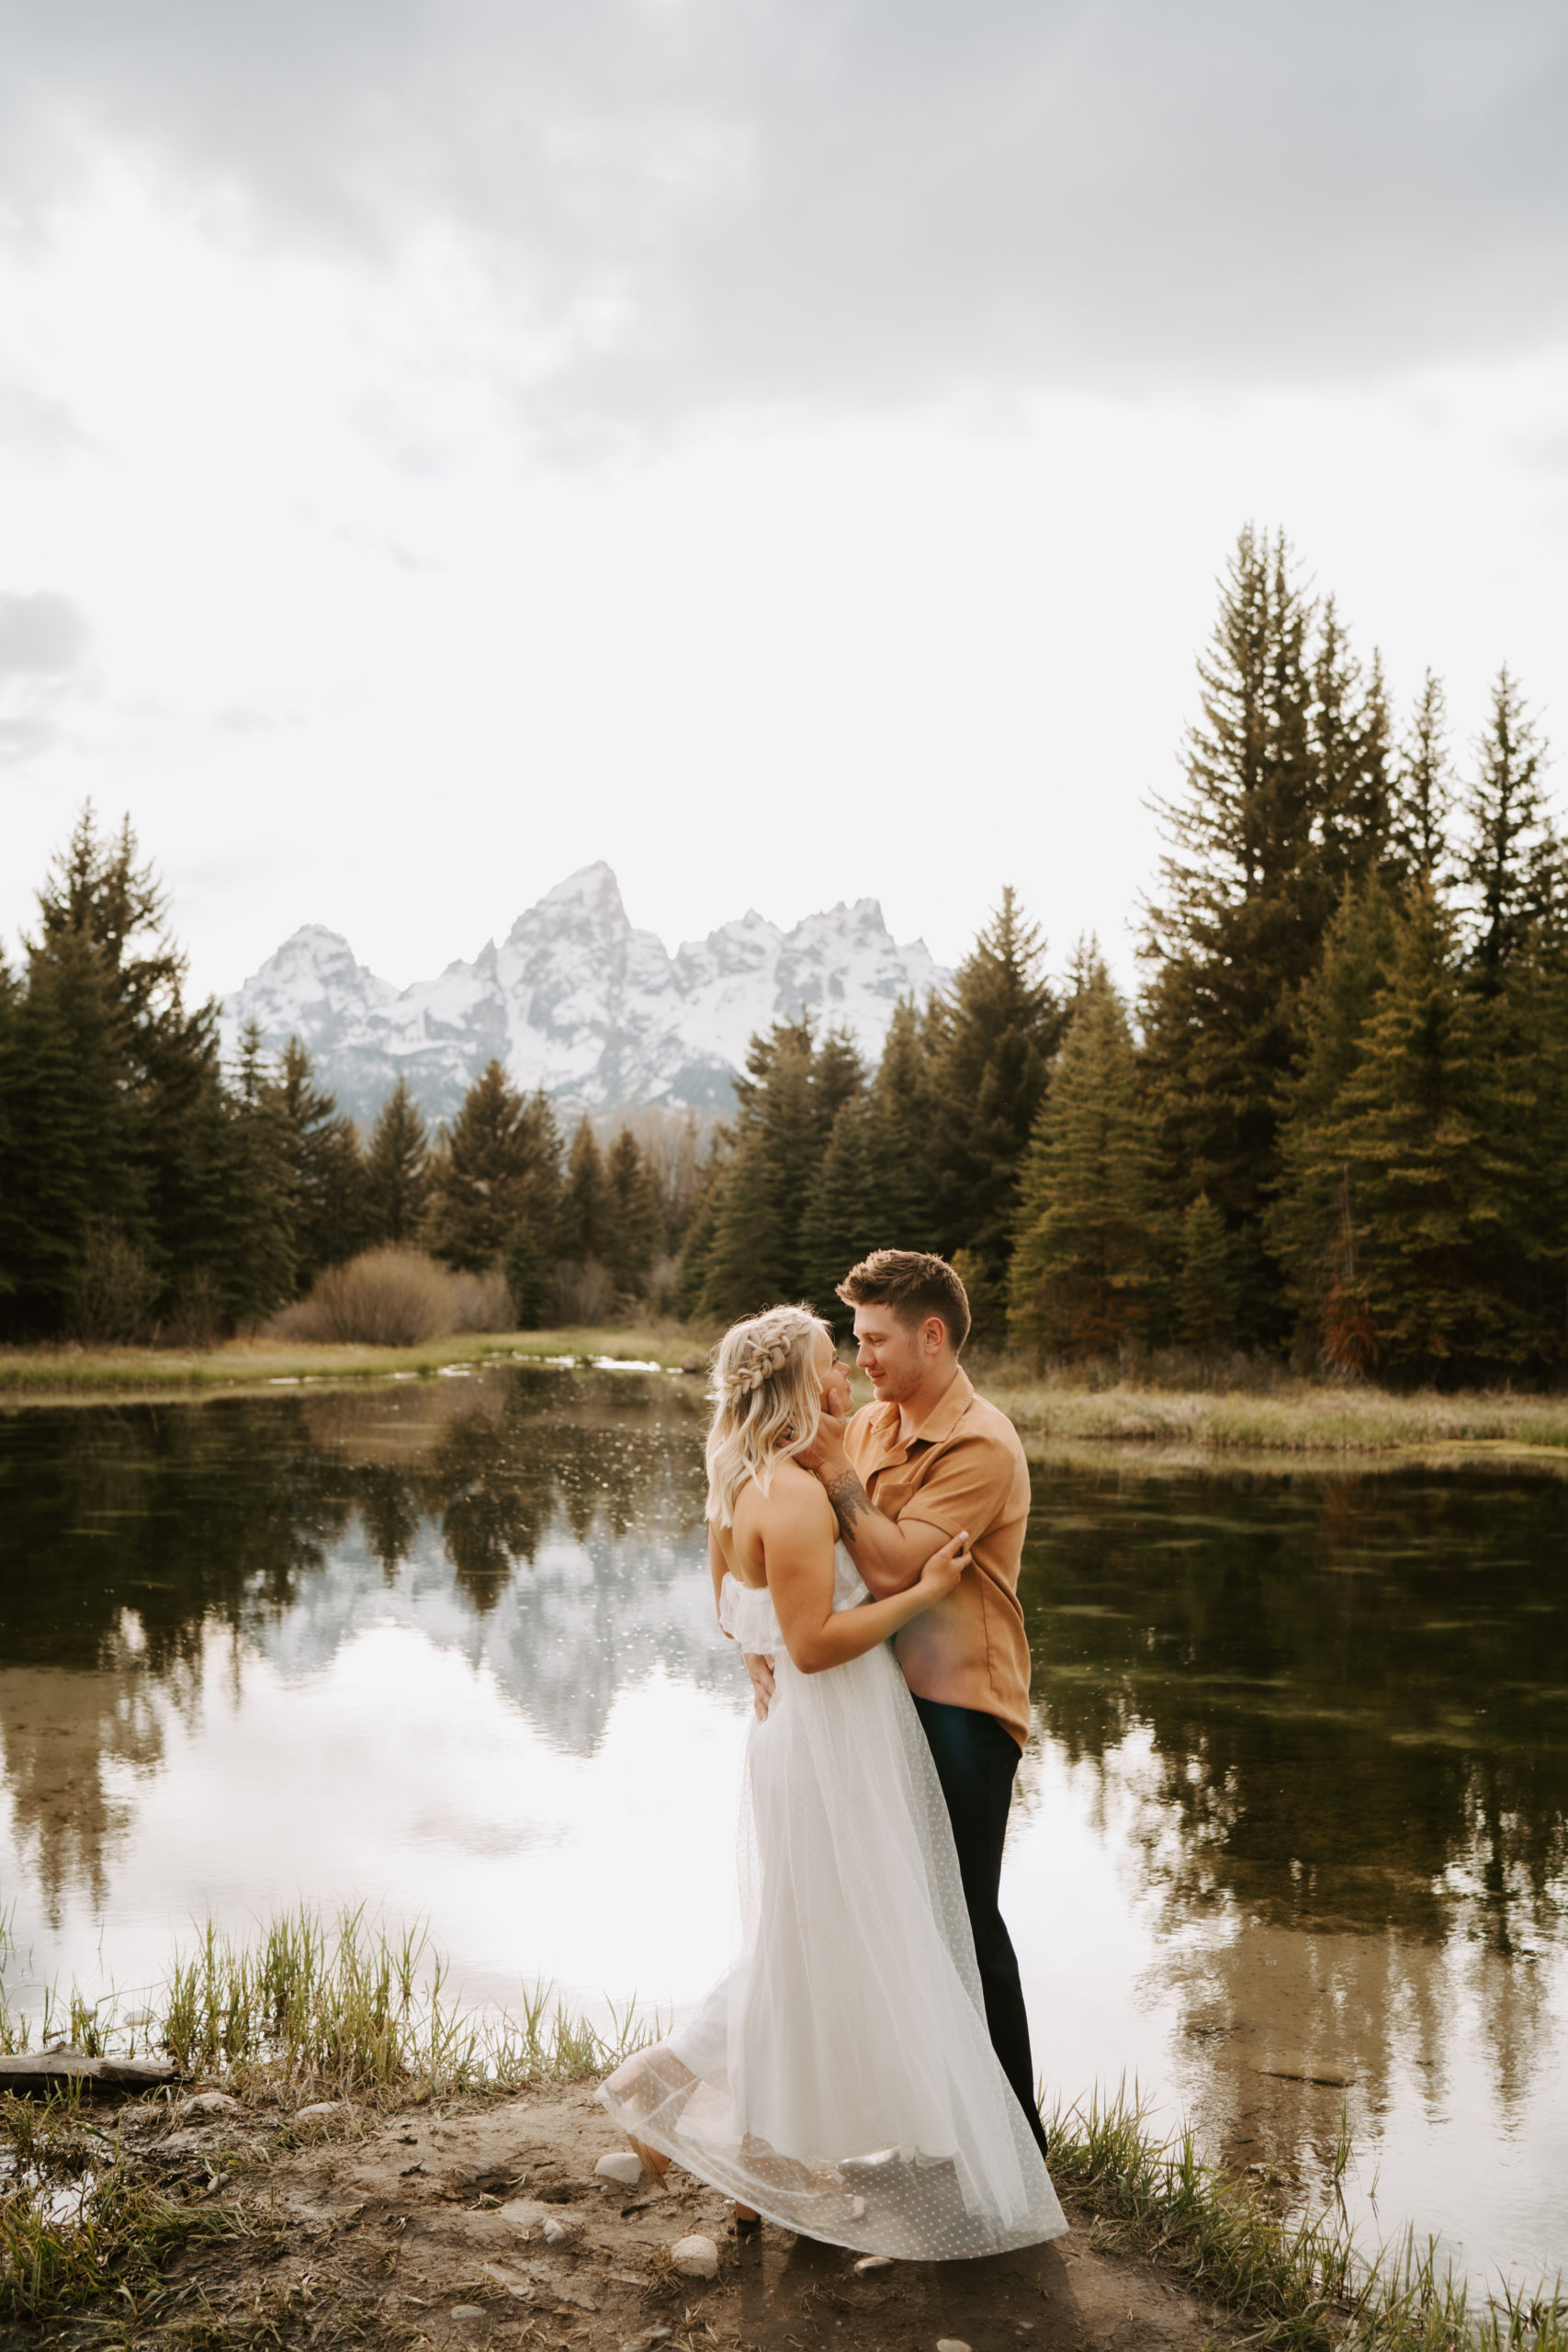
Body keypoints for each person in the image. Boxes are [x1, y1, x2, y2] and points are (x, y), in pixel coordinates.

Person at [597, 1305, 1066, 2261]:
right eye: (831, 1364)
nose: (847, 1377)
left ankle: (758, 2159)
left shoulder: (740, 1481)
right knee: (801, 1946)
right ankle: (675, 2084)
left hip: (806, 1741)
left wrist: (752, 1649)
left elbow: (735, 1610)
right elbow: (810, 1645)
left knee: (804, 1942)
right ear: (799, 1386)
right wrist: (926, 1592)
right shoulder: (798, 1494)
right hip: (823, 1744)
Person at [743, 1250, 1047, 2159]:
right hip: (870, 1704)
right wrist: (753, 1633)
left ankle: (1014, 2144)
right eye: (856, 1340)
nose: (862, 1356)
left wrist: (835, 1466)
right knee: (881, 1913)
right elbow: (758, 1518)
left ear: (933, 1334)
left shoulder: (980, 1445)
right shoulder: (869, 1426)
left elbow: (885, 1564)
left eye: (875, 1339)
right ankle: (919, 2127)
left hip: (960, 1706)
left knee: (962, 1914)